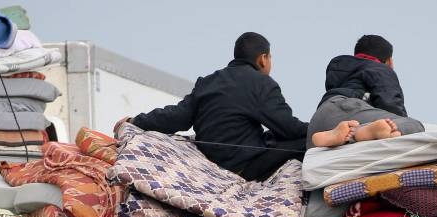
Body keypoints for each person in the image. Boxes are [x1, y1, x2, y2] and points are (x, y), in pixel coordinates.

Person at [124, 32, 309, 182]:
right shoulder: (262, 83)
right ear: (263, 59)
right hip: (244, 166)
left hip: (210, 163)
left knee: (272, 137)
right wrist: (323, 130)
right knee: (307, 142)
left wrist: (136, 121)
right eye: (270, 58)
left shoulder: (207, 82)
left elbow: (176, 117)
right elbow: (288, 128)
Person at [307, 34, 424, 148]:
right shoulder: (380, 68)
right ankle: (357, 133)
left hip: (318, 121)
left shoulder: (338, 66)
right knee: (413, 125)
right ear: (389, 61)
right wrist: (396, 125)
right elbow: (390, 103)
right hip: (349, 110)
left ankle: (337, 135)